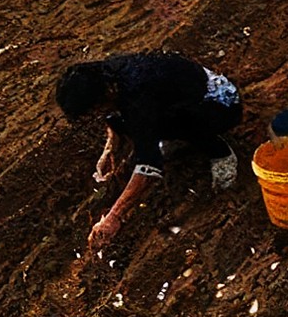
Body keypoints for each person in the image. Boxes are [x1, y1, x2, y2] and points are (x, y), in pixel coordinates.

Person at [55, 51, 243, 250]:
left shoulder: (137, 92)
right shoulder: (104, 77)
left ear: (107, 93)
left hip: (220, 104)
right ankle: (165, 138)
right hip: (173, 98)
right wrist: (111, 147)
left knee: (174, 125)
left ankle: (220, 152)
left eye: (94, 109)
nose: (96, 115)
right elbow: (111, 114)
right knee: (125, 120)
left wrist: (114, 217)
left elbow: (149, 165)